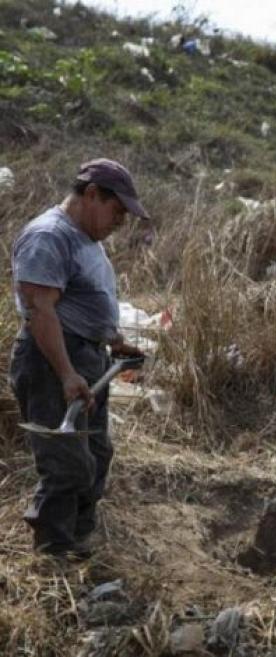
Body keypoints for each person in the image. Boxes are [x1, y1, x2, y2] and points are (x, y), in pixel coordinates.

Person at [9, 158, 149, 561]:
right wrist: (67, 373)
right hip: (51, 362)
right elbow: (39, 311)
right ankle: (53, 553)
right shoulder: (49, 237)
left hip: (86, 357)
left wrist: (114, 341)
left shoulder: (85, 238)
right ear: (91, 194)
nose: (120, 221)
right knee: (66, 464)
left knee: (97, 456)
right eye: (117, 210)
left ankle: (79, 541)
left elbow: (83, 301)